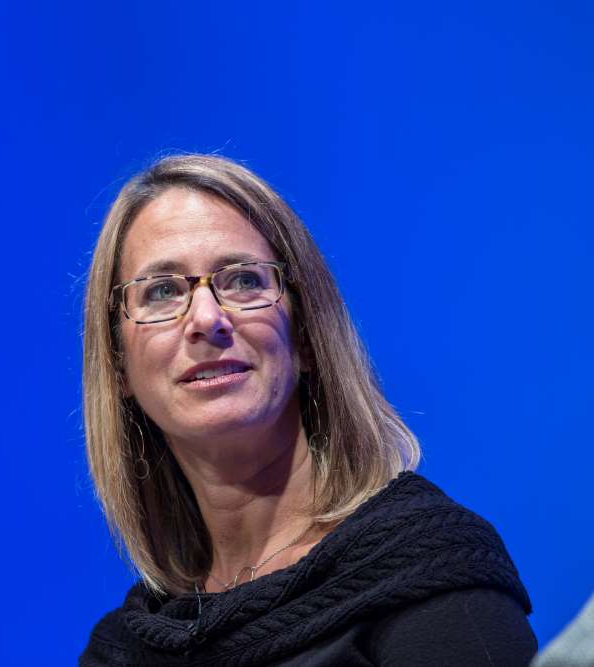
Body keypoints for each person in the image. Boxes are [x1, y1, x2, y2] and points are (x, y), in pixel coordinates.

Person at [79, 154, 536, 666]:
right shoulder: (121, 652)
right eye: (162, 291)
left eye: (244, 280)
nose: (207, 319)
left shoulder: (429, 574)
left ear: (305, 337)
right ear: (118, 366)